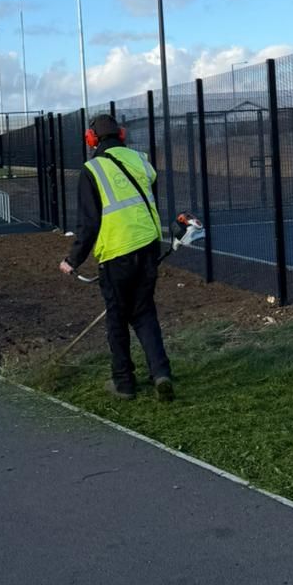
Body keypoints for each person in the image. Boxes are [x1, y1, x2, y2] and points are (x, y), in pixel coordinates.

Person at [60, 113, 174, 401]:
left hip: (116, 253)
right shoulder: (139, 159)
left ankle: (124, 383)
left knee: (117, 318)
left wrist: (72, 260)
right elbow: (148, 185)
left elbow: (88, 224)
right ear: (121, 135)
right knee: (144, 312)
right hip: (148, 244)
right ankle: (161, 373)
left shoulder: (92, 170)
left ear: (91, 139)